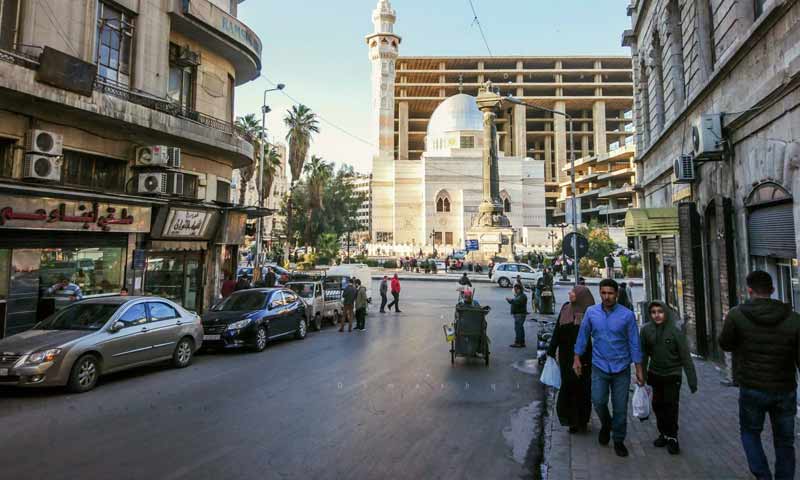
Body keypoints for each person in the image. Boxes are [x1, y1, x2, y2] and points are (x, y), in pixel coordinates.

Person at [719, 271, 800, 480]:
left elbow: (725, 343)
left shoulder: (737, 315)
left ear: (750, 290)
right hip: (784, 388)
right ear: (772, 291)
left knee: (750, 433)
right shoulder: (793, 318)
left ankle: (763, 475)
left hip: (752, 387)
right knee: (785, 440)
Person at [574, 278, 643, 458]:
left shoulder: (627, 315)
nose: (607, 297)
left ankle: (618, 440)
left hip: (621, 369)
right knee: (598, 401)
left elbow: (634, 343)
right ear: (600, 293)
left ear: (617, 294)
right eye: (603, 293)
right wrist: (576, 358)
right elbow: (583, 336)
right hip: (599, 366)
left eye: (610, 293)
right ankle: (606, 423)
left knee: (620, 407)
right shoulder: (591, 312)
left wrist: (639, 370)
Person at [640, 300, 697, 455]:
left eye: (660, 311)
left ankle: (672, 437)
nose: (657, 315)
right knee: (657, 405)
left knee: (670, 406)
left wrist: (692, 380)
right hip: (655, 373)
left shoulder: (675, 330)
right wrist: (641, 375)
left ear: (665, 312)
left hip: (672, 374)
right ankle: (663, 433)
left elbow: (685, 356)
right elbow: (643, 354)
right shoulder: (646, 330)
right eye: (653, 312)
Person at [548, 286, 595, 433]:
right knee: (568, 387)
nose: (570, 294)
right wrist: (551, 349)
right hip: (565, 356)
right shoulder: (566, 308)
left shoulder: (590, 313)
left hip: (583, 356)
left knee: (582, 389)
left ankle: (582, 421)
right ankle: (570, 420)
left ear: (581, 296)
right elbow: (558, 329)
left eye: (573, 292)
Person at [506, 283, 528, 348]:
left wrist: (511, 300)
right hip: (518, 314)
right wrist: (510, 301)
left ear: (520, 289)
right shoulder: (518, 295)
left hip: (520, 314)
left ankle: (518, 343)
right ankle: (521, 342)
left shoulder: (522, 296)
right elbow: (515, 302)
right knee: (519, 328)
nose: (515, 291)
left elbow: (517, 302)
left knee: (518, 329)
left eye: (516, 289)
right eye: (515, 289)